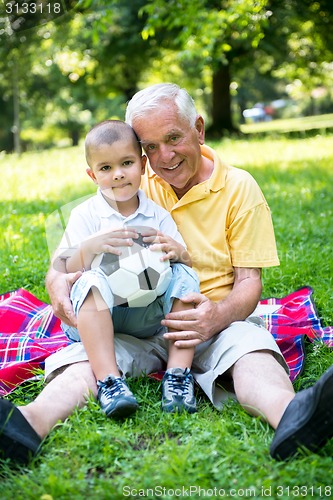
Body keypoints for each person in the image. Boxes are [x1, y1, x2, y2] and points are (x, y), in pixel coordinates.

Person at [1, 83, 333, 465]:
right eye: (151, 147)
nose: (165, 157)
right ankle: (26, 424)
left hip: (208, 319)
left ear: (199, 129)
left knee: (250, 351)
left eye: (173, 137)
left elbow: (249, 283)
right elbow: (65, 260)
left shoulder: (239, 187)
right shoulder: (131, 183)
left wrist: (216, 318)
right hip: (131, 322)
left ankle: (293, 416)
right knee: (85, 362)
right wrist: (59, 288)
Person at [54, 119, 200, 418]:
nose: (118, 174)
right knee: (90, 278)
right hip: (96, 317)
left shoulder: (156, 216)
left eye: (127, 163)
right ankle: (110, 381)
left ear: (143, 164)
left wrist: (179, 252)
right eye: (106, 168)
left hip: (146, 318)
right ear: (92, 175)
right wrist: (90, 247)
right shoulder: (86, 215)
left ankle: (177, 376)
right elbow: (62, 266)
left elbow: (185, 260)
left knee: (185, 274)